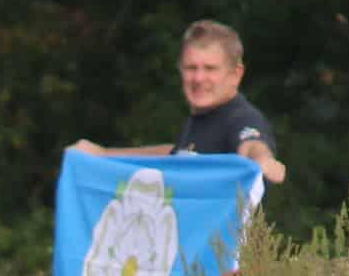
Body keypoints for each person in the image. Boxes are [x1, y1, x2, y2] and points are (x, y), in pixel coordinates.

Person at [69, 19, 286, 185]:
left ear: (235, 74)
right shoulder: (202, 119)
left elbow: (252, 145)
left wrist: (263, 161)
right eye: (191, 68)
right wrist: (104, 155)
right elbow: (175, 155)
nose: (199, 79)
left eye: (210, 69)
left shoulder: (241, 118)